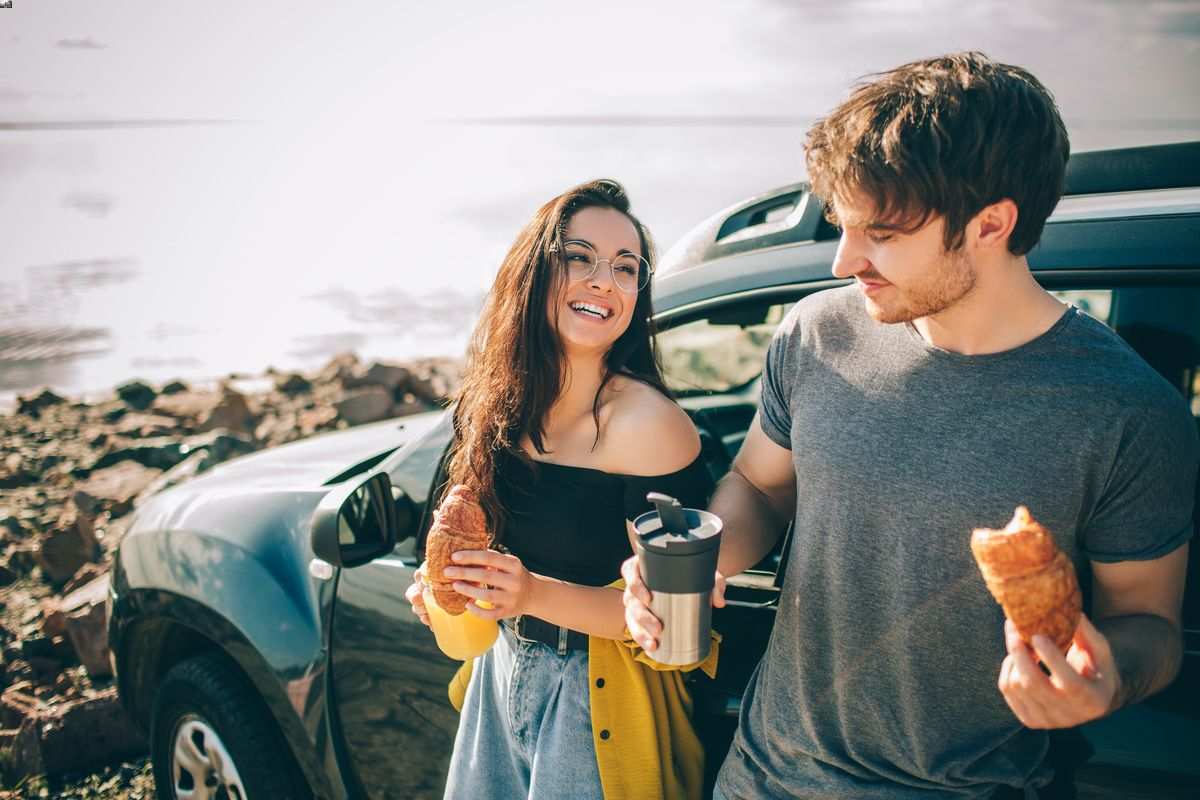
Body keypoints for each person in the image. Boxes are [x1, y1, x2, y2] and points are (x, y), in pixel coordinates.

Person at [622, 52, 1199, 799]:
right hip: (762, 776)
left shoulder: (1127, 411)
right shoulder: (816, 334)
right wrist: (700, 562)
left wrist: (1103, 680)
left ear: (992, 224)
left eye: (883, 234)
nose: (842, 261)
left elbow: (1148, 621)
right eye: (843, 226)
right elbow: (760, 487)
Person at [405, 179, 715, 800]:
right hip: (497, 676)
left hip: (599, 698)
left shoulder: (650, 427)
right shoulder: (490, 409)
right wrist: (448, 590)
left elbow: (672, 629)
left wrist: (527, 591)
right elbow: (463, 564)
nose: (604, 280)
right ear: (534, 272)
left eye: (626, 269)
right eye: (580, 258)